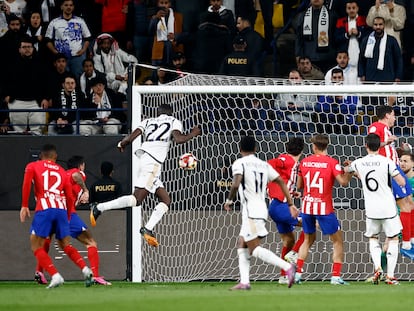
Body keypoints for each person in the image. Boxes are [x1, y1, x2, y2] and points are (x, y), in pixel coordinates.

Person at [89, 104, 201, 247]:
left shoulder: (148, 121)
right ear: (171, 113)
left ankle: (148, 229)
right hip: (153, 163)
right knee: (136, 199)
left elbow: (130, 138)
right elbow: (179, 139)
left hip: (143, 160)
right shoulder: (173, 121)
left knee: (165, 199)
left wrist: (122, 144)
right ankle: (99, 207)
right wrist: (194, 133)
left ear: (158, 112)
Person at [224, 135, 297, 290]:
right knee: (242, 243)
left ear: (240, 149)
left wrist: (229, 200)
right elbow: (281, 181)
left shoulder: (240, 163)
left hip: (251, 210)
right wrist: (291, 203)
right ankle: (245, 281)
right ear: (256, 149)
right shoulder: (263, 164)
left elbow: (236, 183)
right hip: (261, 207)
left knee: (254, 248)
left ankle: (287, 267)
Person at [20, 144, 93, 288]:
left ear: (41, 156)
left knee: (36, 246)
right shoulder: (61, 170)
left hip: (45, 208)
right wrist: (68, 215)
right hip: (61, 209)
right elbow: (69, 197)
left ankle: (55, 275)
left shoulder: (32, 166)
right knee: (65, 244)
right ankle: (86, 269)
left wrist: (24, 205)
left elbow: (26, 184)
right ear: (55, 157)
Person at [345, 133, 405, 285]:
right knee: (392, 239)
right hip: (388, 208)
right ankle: (390, 276)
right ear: (380, 146)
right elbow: (401, 182)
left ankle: (377, 267)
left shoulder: (359, 162)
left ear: (366, 146)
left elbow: (346, 170)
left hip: (371, 209)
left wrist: (348, 167)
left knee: (373, 238)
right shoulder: (387, 162)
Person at [295, 134, 352, 285]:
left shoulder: (304, 162)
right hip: (324, 208)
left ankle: (298, 274)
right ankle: (335, 276)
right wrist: (350, 171)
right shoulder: (332, 163)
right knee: (337, 241)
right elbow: (343, 182)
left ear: (314, 146)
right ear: (327, 146)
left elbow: (299, 186)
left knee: (307, 240)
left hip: (307, 206)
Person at [368, 105, 414, 259]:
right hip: (388, 170)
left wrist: (400, 150)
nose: (395, 118)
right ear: (387, 115)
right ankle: (406, 245)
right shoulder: (376, 127)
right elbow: (371, 144)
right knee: (404, 205)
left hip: (395, 168)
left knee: (410, 202)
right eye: (393, 115)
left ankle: (411, 239)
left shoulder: (386, 130)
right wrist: (386, 142)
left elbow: (386, 148)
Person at [267, 137, 306, 285]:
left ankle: (284, 276)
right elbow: (271, 163)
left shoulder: (292, 163)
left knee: (289, 241)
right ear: (302, 150)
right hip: (280, 207)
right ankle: (295, 254)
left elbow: (280, 180)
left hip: (276, 207)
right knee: (312, 222)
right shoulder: (286, 159)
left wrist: (291, 193)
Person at [3, 36, 48, 135]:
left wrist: (45, 98)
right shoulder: (10, 64)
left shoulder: (40, 64)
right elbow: (4, 80)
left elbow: (45, 82)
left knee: (37, 131)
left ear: (33, 48)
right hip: (16, 101)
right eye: (24, 47)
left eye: (29, 47)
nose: (27, 49)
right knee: (18, 131)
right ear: (19, 49)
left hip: (36, 102)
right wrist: (5, 95)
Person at [45, 0, 92, 77]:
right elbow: (47, 40)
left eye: (70, 5)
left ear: (73, 7)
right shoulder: (54, 22)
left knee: (78, 79)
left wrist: (83, 50)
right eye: (66, 5)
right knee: (62, 78)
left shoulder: (80, 21)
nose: (68, 7)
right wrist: (55, 52)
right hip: (61, 58)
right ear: (61, 7)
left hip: (77, 57)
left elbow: (87, 38)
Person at [295, 0, 337, 73]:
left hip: (328, 59)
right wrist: (298, 55)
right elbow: (299, 39)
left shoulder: (333, 15)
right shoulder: (302, 16)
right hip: (308, 60)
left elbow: (336, 37)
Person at [358, 16, 403, 83]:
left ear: (384, 25)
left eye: (380, 24)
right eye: (376, 24)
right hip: (370, 77)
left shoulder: (391, 40)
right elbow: (361, 59)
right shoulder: (366, 40)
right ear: (372, 26)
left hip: (388, 78)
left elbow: (398, 59)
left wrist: (398, 76)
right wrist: (362, 74)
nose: (378, 27)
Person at [315, 68, 358, 134]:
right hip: (330, 123)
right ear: (331, 79)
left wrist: (340, 100)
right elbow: (320, 108)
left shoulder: (351, 92)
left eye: (339, 77)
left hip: (346, 124)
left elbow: (351, 109)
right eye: (334, 78)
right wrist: (331, 98)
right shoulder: (326, 93)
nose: (337, 80)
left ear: (343, 78)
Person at [148, 0, 184, 68]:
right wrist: (156, 18)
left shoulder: (179, 16)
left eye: (166, 3)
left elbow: (185, 34)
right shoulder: (154, 17)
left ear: (170, 4)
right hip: (158, 52)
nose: (164, 5)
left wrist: (175, 36)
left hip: (174, 52)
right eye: (161, 3)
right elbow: (150, 32)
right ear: (158, 4)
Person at [334, 1, 369, 69]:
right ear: (346, 10)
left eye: (353, 8)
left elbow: (369, 37)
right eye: (349, 8)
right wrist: (347, 35)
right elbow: (336, 38)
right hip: (346, 54)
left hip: (361, 53)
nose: (351, 10)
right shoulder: (340, 21)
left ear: (357, 8)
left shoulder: (364, 20)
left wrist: (358, 34)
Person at [399, 151, 414, 255]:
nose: (402, 163)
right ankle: (379, 271)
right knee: (388, 247)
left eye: (405, 161)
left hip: (410, 220)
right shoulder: (397, 179)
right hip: (398, 219)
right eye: (400, 161)